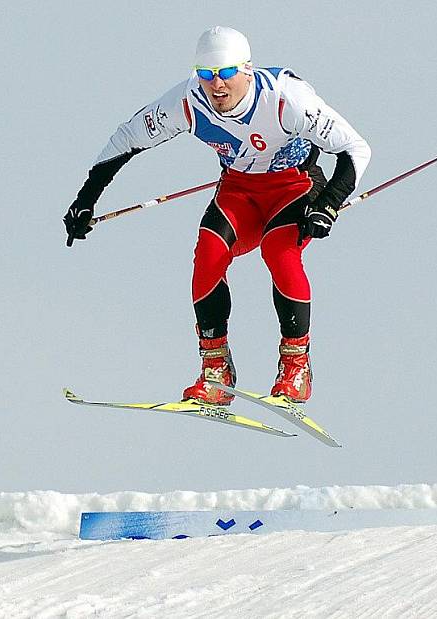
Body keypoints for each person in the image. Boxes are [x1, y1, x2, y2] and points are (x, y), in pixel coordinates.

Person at [64, 26, 371, 405]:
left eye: (225, 73)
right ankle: (216, 372)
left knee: (279, 251)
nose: (217, 85)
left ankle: (295, 368)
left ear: (246, 69)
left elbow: (355, 149)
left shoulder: (284, 98)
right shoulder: (188, 101)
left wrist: (328, 204)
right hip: (239, 191)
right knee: (208, 254)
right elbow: (126, 139)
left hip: (295, 187)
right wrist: (85, 200)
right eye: (207, 74)